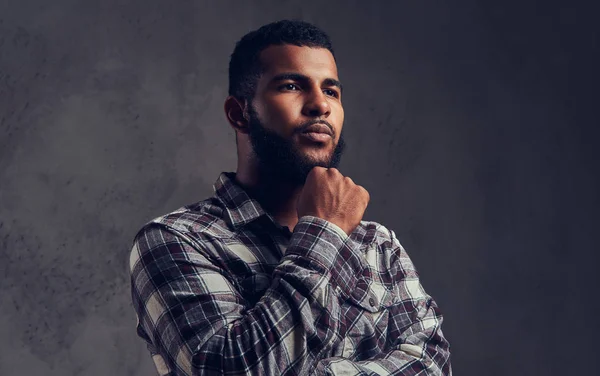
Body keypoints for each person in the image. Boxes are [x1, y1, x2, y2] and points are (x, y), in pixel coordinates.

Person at [129, 19, 452, 376]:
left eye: (331, 91)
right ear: (240, 114)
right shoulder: (177, 240)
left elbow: (431, 366)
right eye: (291, 86)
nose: (319, 105)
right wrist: (324, 232)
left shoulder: (378, 245)